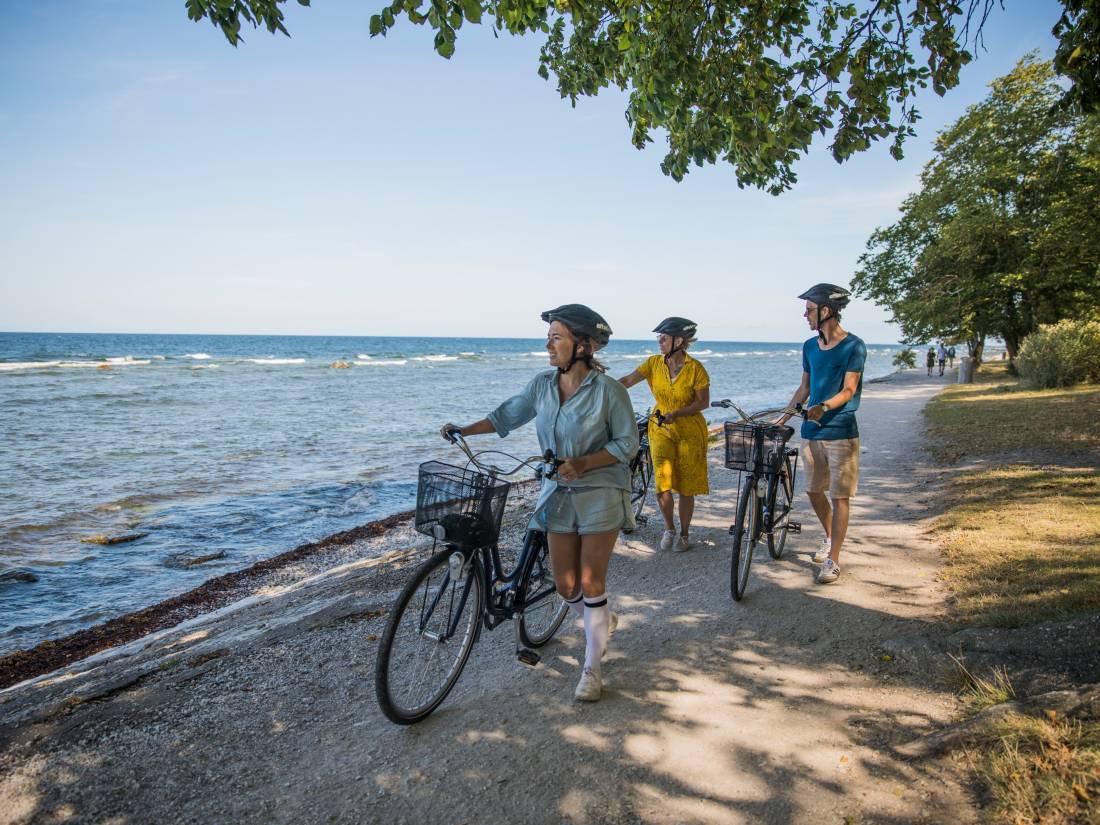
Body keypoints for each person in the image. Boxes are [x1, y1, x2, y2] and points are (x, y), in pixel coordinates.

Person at [440, 304, 638, 702]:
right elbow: (506, 417)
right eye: (549, 338)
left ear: (582, 345)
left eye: (556, 338)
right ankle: (598, 619)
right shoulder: (542, 385)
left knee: (590, 581)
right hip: (557, 491)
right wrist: (465, 429)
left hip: (601, 488)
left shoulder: (609, 391)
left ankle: (591, 668)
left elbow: (626, 444)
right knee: (566, 587)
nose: (548, 345)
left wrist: (582, 463)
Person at [778, 284, 866, 585]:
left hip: (841, 430)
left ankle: (833, 559)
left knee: (840, 495)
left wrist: (824, 406)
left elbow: (849, 389)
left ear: (826, 310)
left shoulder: (854, 346)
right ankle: (831, 537)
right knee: (814, 490)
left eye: (809, 310)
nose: (805, 315)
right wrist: (784, 417)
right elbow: (804, 387)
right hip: (811, 431)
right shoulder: (809, 347)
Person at [619, 318, 710, 552]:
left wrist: (678, 413)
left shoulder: (695, 368)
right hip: (660, 428)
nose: (659, 341)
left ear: (679, 341)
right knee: (663, 481)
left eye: (664, 337)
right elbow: (627, 381)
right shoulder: (652, 364)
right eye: (659, 337)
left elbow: (703, 402)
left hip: (689, 431)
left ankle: (685, 534)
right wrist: (599, 388)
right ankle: (669, 528)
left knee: (687, 486)